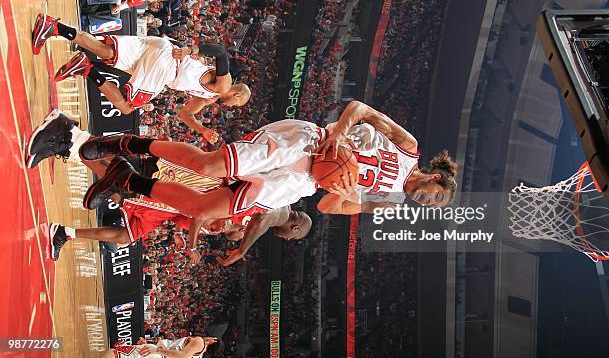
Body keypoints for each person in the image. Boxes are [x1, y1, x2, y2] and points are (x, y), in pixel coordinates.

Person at [79, 101, 457, 220]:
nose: (429, 201)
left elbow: (327, 206)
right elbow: (359, 108)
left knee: (206, 208)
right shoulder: (408, 147)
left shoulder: (386, 201)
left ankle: (127, 182)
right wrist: (340, 133)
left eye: (434, 205)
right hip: (312, 143)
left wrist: (340, 189)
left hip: (305, 182)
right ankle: (129, 142)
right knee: (210, 166)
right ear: (436, 178)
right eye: (436, 196)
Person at [26, 112, 312, 261]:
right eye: (293, 238)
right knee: (123, 178)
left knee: (125, 223)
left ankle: (64, 230)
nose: (287, 240)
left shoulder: (272, 200)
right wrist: (242, 248)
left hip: (186, 200)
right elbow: (262, 219)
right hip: (191, 184)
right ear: (296, 227)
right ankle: (68, 135)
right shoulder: (279, 207)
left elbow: (216, 216)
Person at [31, 15, 250, 141]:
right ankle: (86, 69)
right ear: (237, 94)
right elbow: (220, 52)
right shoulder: (224, 86)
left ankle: (53, 26)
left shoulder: (209, 97)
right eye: (237, 103)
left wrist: (202, 129)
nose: (232, 106)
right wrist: (191, 50)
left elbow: (185, 113)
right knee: (126, 107)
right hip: (166, 67)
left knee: (107, 52)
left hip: (163, 47)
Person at [101, 335, 218, 358]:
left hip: (158, 355)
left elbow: (181, 355)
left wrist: (156, 349)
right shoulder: (198, 355)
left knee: (112, 353)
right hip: (159, 354)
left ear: (213, 341)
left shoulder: (200, 342)